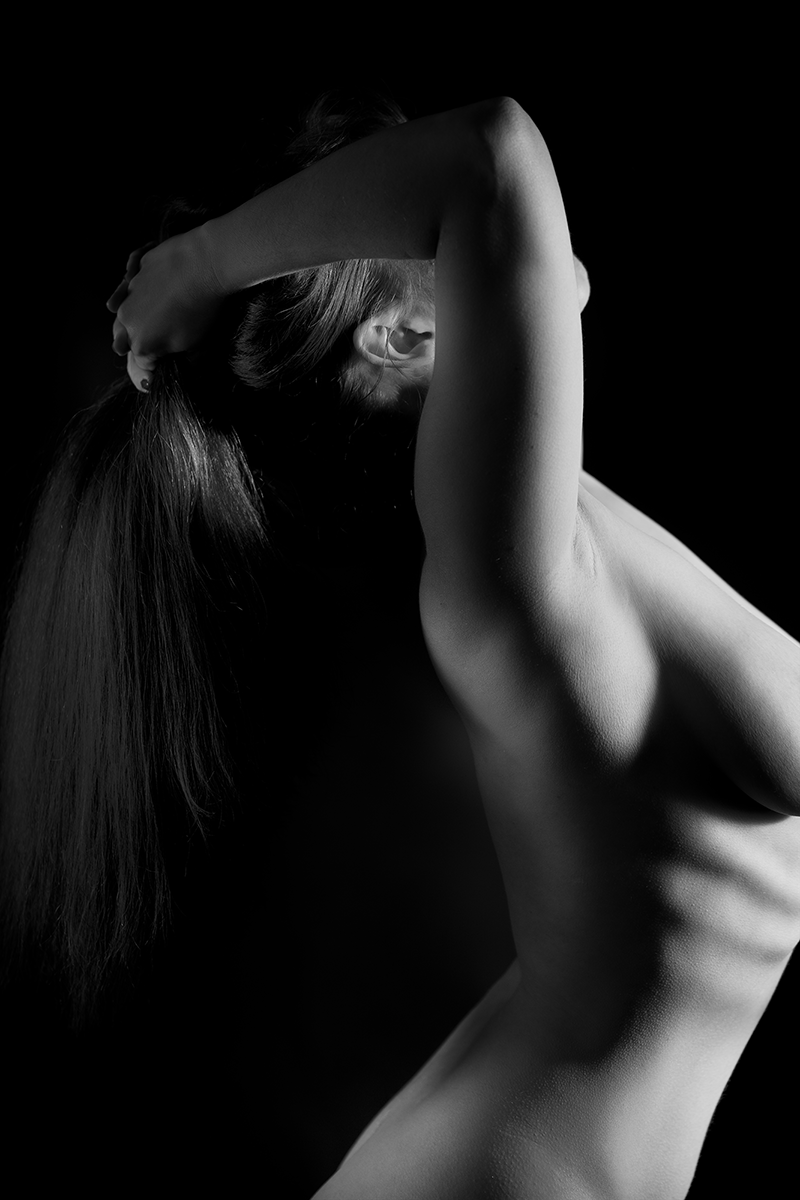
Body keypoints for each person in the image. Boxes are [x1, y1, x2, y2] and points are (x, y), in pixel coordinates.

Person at [4, 91, 799, 1198]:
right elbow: (486, 160)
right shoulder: (505, 577)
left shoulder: (557, 543)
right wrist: (199, 266)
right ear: (402, 335)